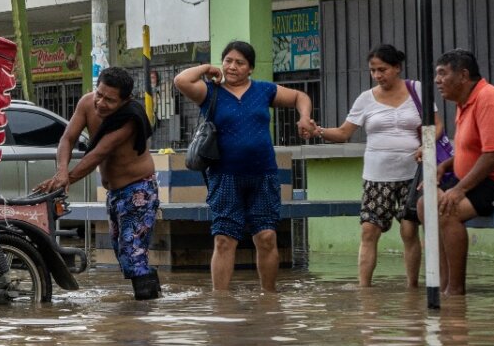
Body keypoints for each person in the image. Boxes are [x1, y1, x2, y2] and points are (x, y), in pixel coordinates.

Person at [174, 41, 315, 292]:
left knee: (267, 237)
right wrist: (206, 67)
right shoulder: (210, 92)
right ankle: (221, 302)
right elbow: (181, 81)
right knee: (224, 240)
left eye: (239, 62)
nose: (232, 67)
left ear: (250, 68)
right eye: (228, 60)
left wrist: (304, 116)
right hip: (224, 175)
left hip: (263, 175)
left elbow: (299, 96)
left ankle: (269, 298)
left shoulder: (263, 90)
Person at [311, 44, 441, 288]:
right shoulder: (365, 99)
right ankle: (364, 289)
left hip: (411, 175)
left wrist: (427, 145)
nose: (378, 75)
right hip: (376, 176)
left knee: (409, 231)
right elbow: (343, 132)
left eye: (383, 69)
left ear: (397, 68)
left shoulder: (417, 91)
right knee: (369, 231)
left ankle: (412, 287)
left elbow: (436, 125)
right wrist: (318, 131)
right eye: (373, 70)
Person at [36, 66, 160, 300]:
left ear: (125, 101)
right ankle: (149, 303)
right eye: (99, 94)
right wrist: (61, 171)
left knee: (132, 253)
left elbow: (98, 153)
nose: (101, 103)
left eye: (110, 100)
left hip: (139, 189)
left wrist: (66, 179)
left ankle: (144, 317)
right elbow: (67, 138)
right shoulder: (87, 103)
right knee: (122, 251)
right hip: (114, 192)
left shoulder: (130, 118)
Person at [420, 49, 494, 296]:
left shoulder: (488, 99)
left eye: (442, 73)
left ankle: (456, 290)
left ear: (463, 75)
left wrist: (459, 189)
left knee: (446, 210)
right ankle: (442, 284)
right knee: (424, 205)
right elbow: (470, 149)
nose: (437, 80)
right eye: (436, 74)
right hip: (484, 180)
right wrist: (446, 166)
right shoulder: (465, 104)